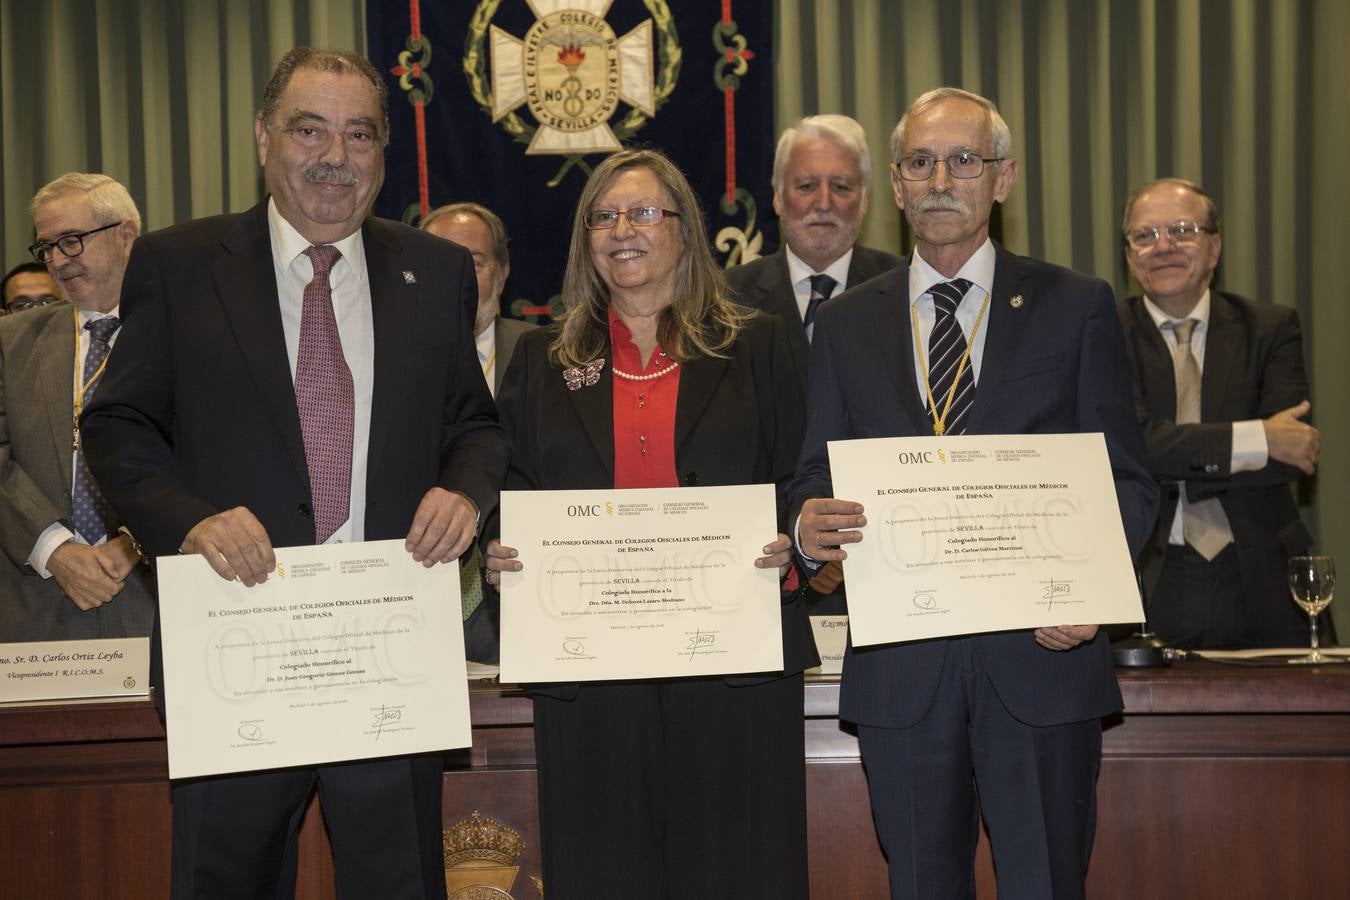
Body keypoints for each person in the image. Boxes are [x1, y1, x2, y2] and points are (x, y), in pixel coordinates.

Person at [80, 48, 505, 899]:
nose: (334, 157)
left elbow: (475, 424)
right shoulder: (178, 263)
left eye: (359, 135)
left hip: (386, 649)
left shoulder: (437, 272)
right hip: (237, 640)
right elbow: (118, 423)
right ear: (263, 138)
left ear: (384, 153)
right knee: (224, 878)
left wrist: (464, 492)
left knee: (400, 880)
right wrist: (188, 519)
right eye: (309, 129)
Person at [791, 87, 1158, 899]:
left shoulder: (1077, 306)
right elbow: (816, 472)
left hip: (1041, 659)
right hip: (903, 671)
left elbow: (1127, 479)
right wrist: (808, 520)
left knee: (1047, 883)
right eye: (921, 162)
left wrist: (1091, 592)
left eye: (964, 160)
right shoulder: (846, 324)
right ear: (894, 183)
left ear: (1005, 178)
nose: (941, 179)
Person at [484, 148, 815, 899]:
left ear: (684, 231)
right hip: (593, 674)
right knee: (605, 874)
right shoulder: (540, 359)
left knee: (739, 874)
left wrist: (791, 542)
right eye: (602, 216)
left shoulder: (758, 342)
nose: (620, 229)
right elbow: (511, 492)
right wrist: (501, 553)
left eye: (641, 212)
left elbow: (804, 477)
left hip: (735, 665)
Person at [1117, 178, 1320, 648]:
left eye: (1182, 230)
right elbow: (1130, 444)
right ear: (1130, 256)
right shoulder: (1105, 333)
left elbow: (1293, 456)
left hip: (1261, 576)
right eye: (1145, 236)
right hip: (1148, 572)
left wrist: (1171, 456)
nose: (1163, 247)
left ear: (1214, 247)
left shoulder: (1271, 328)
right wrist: (1260, 440)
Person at [727, 114, 898, 615]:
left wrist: (845, 544)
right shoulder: (721, 301)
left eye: (841, 186)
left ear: (865, 200)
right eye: (806, 185)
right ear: (778, 197)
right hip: (760, 571)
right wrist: (799, 538)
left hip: (887, 565)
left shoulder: (910, 292)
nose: (824, 202)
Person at [0, 174, 153, 642]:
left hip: (152, 598)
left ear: (125, 236)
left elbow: (209, 451)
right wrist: (56, 550)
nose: (57, 261)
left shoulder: (186, 333)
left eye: (71, 241)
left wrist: (132, 543)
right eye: (46, 247)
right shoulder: (10, 341)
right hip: (33, 599)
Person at [423, 201, 537, 662]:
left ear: (503, 273)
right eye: (439, 257)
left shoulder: (547, 357)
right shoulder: (374, 363)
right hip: (415, 597)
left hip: (520, 596)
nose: (457, 275)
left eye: (474, 261)